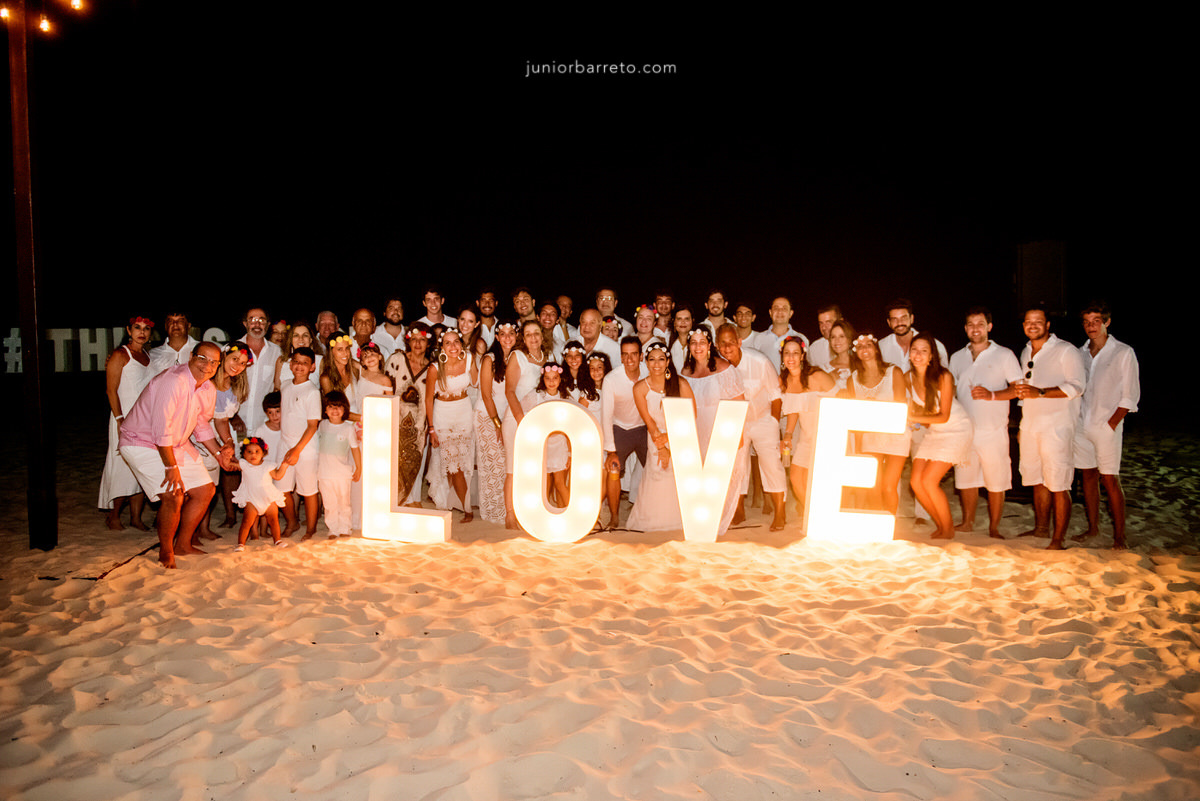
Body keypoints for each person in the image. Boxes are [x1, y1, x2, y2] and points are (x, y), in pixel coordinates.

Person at [118, 342, 237, 568]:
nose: (207, 366)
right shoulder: (174, 380)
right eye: (202, 358)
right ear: (191, 356)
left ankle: (183, 544)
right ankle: (166, 551)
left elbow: (201, 424)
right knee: (174, 494)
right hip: (142, 442)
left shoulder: (208, 388)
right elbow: (161, 430)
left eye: (214, 362)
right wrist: (171, 467)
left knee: (205, 490)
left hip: (175, 443)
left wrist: (219, 453)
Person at [1011, 307, 1086, 549]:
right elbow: (1024, 392)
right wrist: (1022, 425)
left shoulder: (1066, 350)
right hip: (1031, 426)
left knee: (1059, 482)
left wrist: (1041, 392)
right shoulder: (1026, 351)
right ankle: (1041, 528)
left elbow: (1077, 387)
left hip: (1057, 427)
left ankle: (1058, 538)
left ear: (1048, 325)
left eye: (1038, 321)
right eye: (1028, 321)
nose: (1032, 325)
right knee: (1036, 478)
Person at [948, 307, 1021, 538]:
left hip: (993, 430)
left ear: (989, 327)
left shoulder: (1004, 355)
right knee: (966, 479)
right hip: (965, 430)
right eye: (970, 324)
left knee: (996, 479)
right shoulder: (957, 357)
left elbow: (1018, 389)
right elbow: (951, 391)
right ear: (965, 328)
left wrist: (992, 395)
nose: (975, 329)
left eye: (980, 324)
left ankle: (994, 527)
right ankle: (967, 522)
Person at [1072, 301, 1140, 549]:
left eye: (1096, 321)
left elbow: (1130, 396)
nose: (1091, 326)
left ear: (1107, 322)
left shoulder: (1123, 352)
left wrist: (1111, 424)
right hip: (1082, 423)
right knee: (1087, 476)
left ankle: (1120, 537)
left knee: (1109, 478)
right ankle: (1093, 529)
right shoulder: (1079, 353)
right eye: (1087, 322)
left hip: (1106, 425)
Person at [716, 324, 787, 531]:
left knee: (771, 465)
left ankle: (780, 513)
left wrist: (773, 422)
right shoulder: (717, 367)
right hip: (736, 422)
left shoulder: (760, 361)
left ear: (739, 342)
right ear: (717, 345)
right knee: (737, 466)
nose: (727, 347)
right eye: (723, 343)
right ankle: (738, 511)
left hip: (763, 419)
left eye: (731, 342)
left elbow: (775, 395)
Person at [906, 332, 973, 540]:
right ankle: (942, 525)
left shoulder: (943, 376)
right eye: (914, 350)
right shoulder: (909, 377)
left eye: (923, 351)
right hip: (934, 431)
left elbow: (944, 416)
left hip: (956, 429)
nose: (918, 355)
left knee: (929, 481)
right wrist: (913, 419)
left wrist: (912, 417)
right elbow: (918, 411)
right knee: (916, 482)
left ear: (931, 356)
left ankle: (948, 529)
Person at [681, 326, 748, 533]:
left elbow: (739, 402)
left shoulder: (724, 368)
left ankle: (722, 516)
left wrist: (738, 433)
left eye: (702, 342)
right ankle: (702, 517)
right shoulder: (685, 372)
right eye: (693, 343)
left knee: (722, 476)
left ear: (710, 345)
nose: (698, 347)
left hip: (720, 429)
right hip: (696, 429)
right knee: (700, 475)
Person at [627, 342, 695, 531]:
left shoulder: (680, 384)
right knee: (658, 472)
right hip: (656, 437)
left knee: (678, 476)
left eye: (661, 359)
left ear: (667, 361)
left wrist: (670, 438)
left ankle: (681, 519)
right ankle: (654, 521)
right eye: (652, 359)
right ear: (646, 362)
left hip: (680, 435)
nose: (656, 364)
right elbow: (649, 421)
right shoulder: (640, 388)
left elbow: (692, 415)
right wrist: (662, 446)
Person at [844, 332, 909, 516]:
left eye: (868, 345)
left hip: (896, 435)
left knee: (888, 486)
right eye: (859, 346)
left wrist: (875, 410)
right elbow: (856, 417)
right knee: (873, 485)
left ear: (876, 349)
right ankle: (876, 522)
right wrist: (858, 447)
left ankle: (891, 522)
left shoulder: (894, 372)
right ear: (855, 352)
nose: (864, 349)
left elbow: (901, 407)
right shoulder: (853, 380)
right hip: (870, 436)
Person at [99, 316, 154, 530]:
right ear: (129, 331)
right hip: (124, 418)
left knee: (141, 467)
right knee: (121, 466)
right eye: (137, 328)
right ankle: (113, 516)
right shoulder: (120, 354)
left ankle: (135, 518)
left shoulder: (148, 355)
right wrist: (120, 419)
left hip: (145, 420)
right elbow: (110, 390)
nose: (142, 332)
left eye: (146, 329)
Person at [779, 336, 837, 522]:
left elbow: (841, 399)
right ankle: (813, 515)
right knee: (796, 479)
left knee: (821, 482)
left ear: (802, 356)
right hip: (806, 437)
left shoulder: (817, 376)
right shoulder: (786, 380)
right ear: (782, 356)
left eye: (795, 353)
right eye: (787, 353)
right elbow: (793, 409)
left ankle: (822, 517)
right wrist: (788, 434)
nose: (791, 357)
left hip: (827, 435)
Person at [426, 328, 478, 522]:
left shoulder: (469, 360)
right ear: (442, 347)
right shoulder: (434, 368)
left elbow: (476, 383)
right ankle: (467, 508)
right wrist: (431, 428)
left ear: (461, 344)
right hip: (443, 415)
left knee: (464, 462)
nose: (453, 346)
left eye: (456, 341)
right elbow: (428, 399)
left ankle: (459, 501)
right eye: (447, 343)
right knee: (453, 465)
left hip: (464, 412)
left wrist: (474, 361)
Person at [502, 320, 550, 528]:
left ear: (542, 335)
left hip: (539, 422)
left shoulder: (549, 358)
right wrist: (522, 420)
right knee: (513, 468)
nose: (533, 338)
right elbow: (509, 391)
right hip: (517, 419)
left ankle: (531, 512)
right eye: (528, 334)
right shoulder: (518, 356)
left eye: (536, 333)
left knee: (534, 468)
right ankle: (510, 514)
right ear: (523, 337)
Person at [203, 342, 253, 537]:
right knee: (200, 484)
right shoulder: (207, 381)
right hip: (199, 437)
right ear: (223, 356)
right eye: (234, 359)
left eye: (242, 363)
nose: (237, 366)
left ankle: (203, 528)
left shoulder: (234, 387)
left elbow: (222, 420)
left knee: (210, 485)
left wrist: (229, 442)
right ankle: (196, 530)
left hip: (217, 437)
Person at [384, 322, 433, 507]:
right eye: (414, 339)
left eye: (422, 340)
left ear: (429, 343)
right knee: (393, 464)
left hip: (418, 426)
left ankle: (412, 500)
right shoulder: (397, 359)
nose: (418, 344)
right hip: (395, 421)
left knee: (414, 464)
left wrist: (429, 426)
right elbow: (385, 390)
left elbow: (431, 399)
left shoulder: (432, 368)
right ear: (408, 341)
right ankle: (394, 502)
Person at [473, 321, 518, 523]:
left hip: (508, 417)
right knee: (493, 465)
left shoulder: (518, 358)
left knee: (507, 465)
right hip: (488, 416)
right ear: (497, 337)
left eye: (511, 333)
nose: (507, 337)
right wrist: (497, 424)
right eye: (503, 334)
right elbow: (486, 394)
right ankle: (493, 512)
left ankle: (508, 507)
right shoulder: (489, 359)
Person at [601, 337, 648, 529]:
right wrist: (611, 450)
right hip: (620, 429)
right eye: (625, 355)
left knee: (658, 467)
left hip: (643, 429)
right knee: (613, 469)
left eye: (634, 354)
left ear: (641, 356)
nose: (630, 359)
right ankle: (614, 516)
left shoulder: (649, 371)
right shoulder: (611, 379)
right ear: (621, 357)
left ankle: (654, 512)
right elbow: (606, 416)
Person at [279, 347, 322, 538]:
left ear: (312, 367)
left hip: (305, 447)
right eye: (296, 361)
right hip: (284, 443)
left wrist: (297, 449)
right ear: (290, 364)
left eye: (305, 363)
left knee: (308, 490)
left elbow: (312, 426)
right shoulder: (285, 385)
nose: (299, 366)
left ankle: (311, 528)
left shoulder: (312, 392)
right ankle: (292, 522)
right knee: (282, 488)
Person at [231, 436, 289, 551]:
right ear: (243, 454)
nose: (253, 455)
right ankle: (241, 544)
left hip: (268, 498)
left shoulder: (268, 466)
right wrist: (225, 457)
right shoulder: (244, 465)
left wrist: (284, 465)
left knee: (274, 521)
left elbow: (277, 476)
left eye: (257, 451)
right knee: (247, 522)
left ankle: (277, 540)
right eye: (249, 452)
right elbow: (229, 465)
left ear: (263, 453)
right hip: (252, 499)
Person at [317, 390, 361, 538]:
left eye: (338, 406)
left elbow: (355, 449)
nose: (335, 410)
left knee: (344, 502)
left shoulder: (348, 428)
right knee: (329, 503)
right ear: (325, 410)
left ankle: (345, 528)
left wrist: (358, 468)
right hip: (324, 473)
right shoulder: (322, 425)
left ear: (344, 409)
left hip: (342, 474)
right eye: (331, 406)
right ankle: (333, 529)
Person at [530, 364, 572, 507]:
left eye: (555, 378)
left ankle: (570, 511)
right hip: (544, 444)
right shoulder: (537, 396)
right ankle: (544, 511)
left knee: (560, 483)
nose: (551, 381)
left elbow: (571, 425)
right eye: (548, 378)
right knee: (544, 483)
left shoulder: (566, 398)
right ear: (543, 379)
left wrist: (570, 452)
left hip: (560, 443)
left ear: (560, 379)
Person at [239, 307, 282, 435]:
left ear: (268, 325)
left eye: (262, 320)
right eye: (252, 320)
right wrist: (232, 416)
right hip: (235, 425)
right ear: (245, 324)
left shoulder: (277, 353)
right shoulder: (231, 350)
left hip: (264, 425)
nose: (257, 324)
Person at [879, 298, 948, 372]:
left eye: (904, 318)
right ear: (889, 322)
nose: (899, 323)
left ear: (911, 319)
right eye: (894, 319)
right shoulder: (881, 347)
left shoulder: (934, 346)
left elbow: (944, 375)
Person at [319, 331, 361, 423]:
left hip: (360, 419)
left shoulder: (354, 368)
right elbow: (335, 410)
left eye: (347, 348)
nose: (345, 353)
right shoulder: (326, 378)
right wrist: (364, 418)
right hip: (342, 424)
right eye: (340, 349)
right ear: (331, 352)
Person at [274, 321, 321, 391]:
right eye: (296, 335)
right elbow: (277, 388)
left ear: (311, 339)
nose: (301, 339)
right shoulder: (282, 360)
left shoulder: (320, 360)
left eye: (305, 335)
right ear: (291, 340)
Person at [806, 304, 841, 372]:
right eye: (821, 323)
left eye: (828, 322)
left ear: (840, 321)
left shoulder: (853, 345)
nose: (824, 327)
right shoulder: (814, 349)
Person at [826, 318, 856, 386]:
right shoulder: (826, 368)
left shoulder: (860, 365)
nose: (837, 341)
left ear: (849, 339)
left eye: (841, 336)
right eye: (833, 337)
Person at [668, 304, 695, 372]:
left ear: (692, 321)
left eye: (687, 319)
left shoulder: (698, 344)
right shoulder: (671, 345)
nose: (683, 322)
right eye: (679, 319)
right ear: (674, 322)